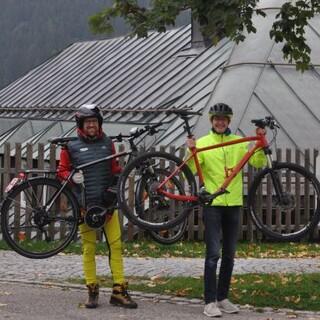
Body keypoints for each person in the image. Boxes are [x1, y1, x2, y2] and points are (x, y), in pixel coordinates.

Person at [186, 103, 266, 317]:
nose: (220, 122)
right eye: (216, 119)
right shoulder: (204, 143)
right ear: (211, 121)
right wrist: (191, 150)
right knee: (213, 254)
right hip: (213, 204)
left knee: (229, 255)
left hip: (234, 204)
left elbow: (258, 162)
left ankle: (222, 298)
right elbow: (191, 169)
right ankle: (209, 301)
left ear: (229, 121)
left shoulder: (238, 143)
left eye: (224, 119)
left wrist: (259, 143)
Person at [57, 104, 137, 309]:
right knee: (89, 248)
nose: (91, 125)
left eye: (94, 122)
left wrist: (120, 174)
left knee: (116, 246)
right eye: (88, 122)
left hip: (107, 206)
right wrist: (71, 176)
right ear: (81, 125)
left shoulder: (107, 143)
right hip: (85, 207)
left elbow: (113, 168)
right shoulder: (70, 147)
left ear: (99, 123)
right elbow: (62, 172)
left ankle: (119, 291)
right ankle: (92, 290)